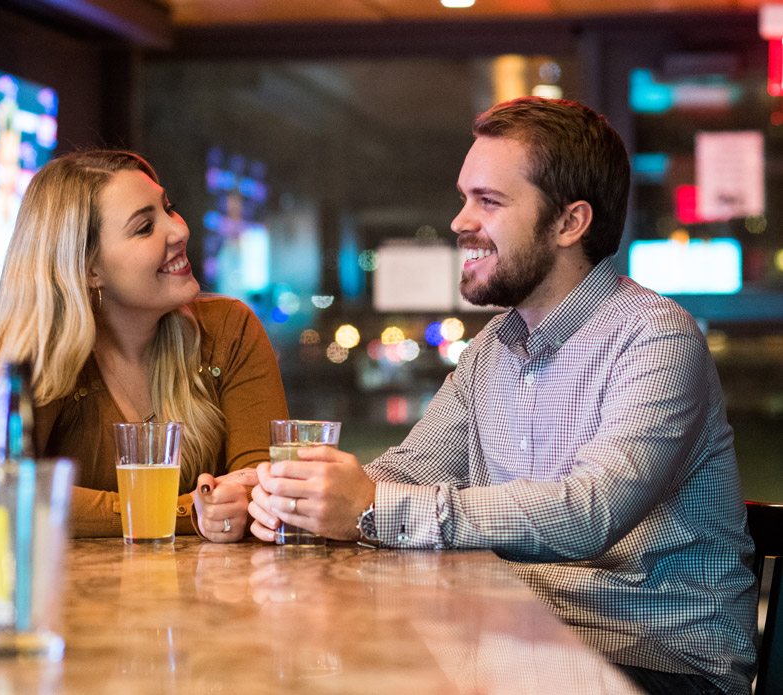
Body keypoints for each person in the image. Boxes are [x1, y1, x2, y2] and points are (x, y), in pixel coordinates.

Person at [249, 97, 757, 695]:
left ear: (570, 223)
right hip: (515, 636)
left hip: (655, 661)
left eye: (487, 201)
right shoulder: (494, 347)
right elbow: (408, 471)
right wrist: (287, 492)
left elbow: (587, 512)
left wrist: (368, 507)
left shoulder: (656, 337)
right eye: (465, 198)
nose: (461, 221)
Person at [0, 149, 288, 541]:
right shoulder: (44, 354)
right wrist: (187, 512)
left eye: (168, 209)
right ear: (89, 269)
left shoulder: (228, 329)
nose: (179, 230)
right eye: (144, 227)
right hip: (70, 600)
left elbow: (266, 492)